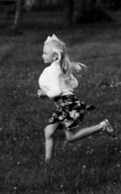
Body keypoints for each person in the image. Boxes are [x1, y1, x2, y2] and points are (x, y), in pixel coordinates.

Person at [36, 33, 113, 161]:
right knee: (48, 131)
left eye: (45, 53)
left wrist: (44, 93)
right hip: (66, 104)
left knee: (70, 138)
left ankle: (102, 126)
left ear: (55, 56)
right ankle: (47, 162)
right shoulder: (60, 68)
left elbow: (56, 92)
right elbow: (74, 84)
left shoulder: (53, 70)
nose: (42, 55)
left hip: (67, 105)